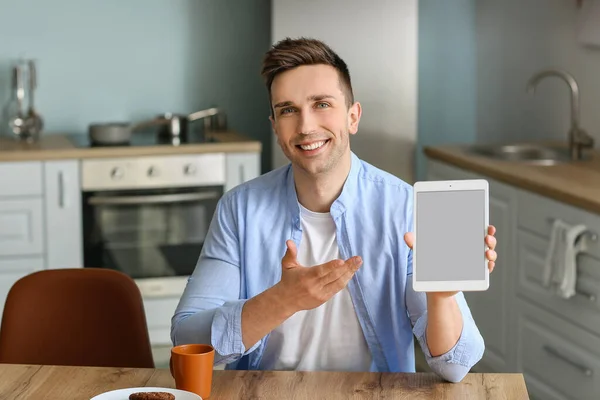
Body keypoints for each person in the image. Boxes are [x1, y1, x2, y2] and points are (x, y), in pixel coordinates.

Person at [171, 37, 497, 383]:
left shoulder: (405, 207)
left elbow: (455, 366)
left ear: (353, 116)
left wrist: (441, 296)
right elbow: (186, 340)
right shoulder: (239, 209)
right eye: (288, 110)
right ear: (275, 127)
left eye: (322, 104)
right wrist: (282, 300)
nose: (306, 126)